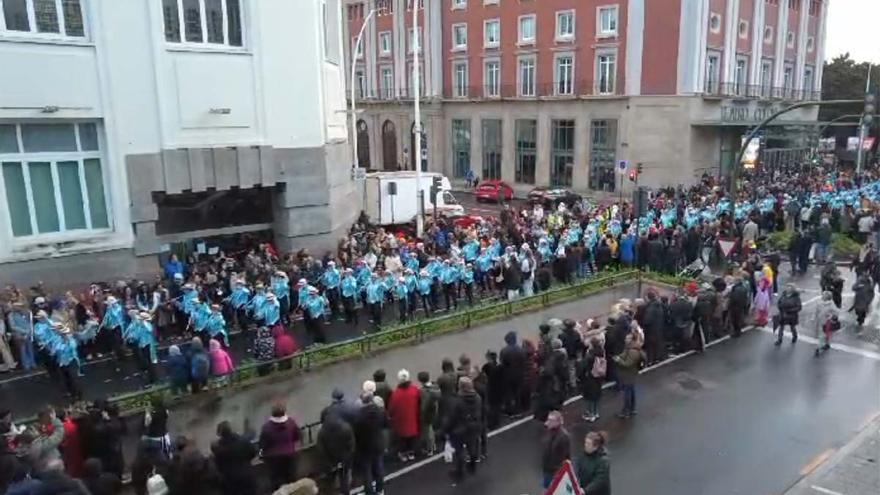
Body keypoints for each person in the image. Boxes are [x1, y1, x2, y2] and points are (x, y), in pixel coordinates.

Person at [444, 376, 482, 486]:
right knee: (472, 447)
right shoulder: (478, 397)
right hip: (474, 426)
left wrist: (445, 429)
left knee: (459, 451)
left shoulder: (457, 401)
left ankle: (459, 471)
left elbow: (452, 417)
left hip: (460, 430)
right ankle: (472, 465)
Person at [259, 403, 301, 491]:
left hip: (273, 458)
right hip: (289, 455)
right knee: (291, 480)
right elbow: (297, 436)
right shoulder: (291, 422)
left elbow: (263, 444)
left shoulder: (266, 427)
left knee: (276, 482)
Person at [353, 392, 386, 495]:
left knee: (367, 471)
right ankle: (380, 489)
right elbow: (385, 424)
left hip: (365, 447)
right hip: (378, 443)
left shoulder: (359, 416)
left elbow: (356, 433)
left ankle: (369, 492)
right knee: (379, 467)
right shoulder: (380, 411)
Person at [316, 410, 355, 495]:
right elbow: (351, 445)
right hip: (344, 459)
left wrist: (328, 463)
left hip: (330, 462)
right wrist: (347, 458)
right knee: (344, 480)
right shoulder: (346, 427)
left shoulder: (322, 431)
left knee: (330, 482)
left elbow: (321, 449)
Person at [387, 369, 421, 462]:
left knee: (402, 440)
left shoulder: (395, 394)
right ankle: (411, 453)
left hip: (400, 422)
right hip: (413, 420)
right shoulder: (414, 389)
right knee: (411, 439)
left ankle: (403, 454)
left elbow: (391, 409)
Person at [613, 332, 645, 419]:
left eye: (627, 338)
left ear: (632, 340)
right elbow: (624, 355)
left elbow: (627, 364)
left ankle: (626, 411)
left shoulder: (633, 351)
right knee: (631, 391)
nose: (625, 339)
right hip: (630, 374)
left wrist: (618, 360)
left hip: (628, 374)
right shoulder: (630, 348)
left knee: (628, 393)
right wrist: (619, 357)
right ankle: (632, 409)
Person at [540, 410, 571, 489]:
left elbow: (565, 456)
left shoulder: (563, 437)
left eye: (551, 420)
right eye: (548, 420)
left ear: (558, 422)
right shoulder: (550, 431)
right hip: (547, 469)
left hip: (555, 471)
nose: (548, 422)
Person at [577, 337, 606, 422]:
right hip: (598, 376)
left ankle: (591, 413)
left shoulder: (590, 354)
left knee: (590, 396)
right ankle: (596, 412)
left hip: (590, 377)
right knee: (596, 395)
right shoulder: (601, 352)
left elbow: (583, 366)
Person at [813, 291, 839, 357]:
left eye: (824, 295)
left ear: (827, 297)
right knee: (824, 335)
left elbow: (836, 312)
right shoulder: (819, 303)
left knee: (822, 336)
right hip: (819, 321)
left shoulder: (831, 305)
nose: (822, 296)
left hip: (827, 323)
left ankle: (818, 348)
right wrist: (813, 318)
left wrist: (830, 316)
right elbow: (816, 312)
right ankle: (827, 344)